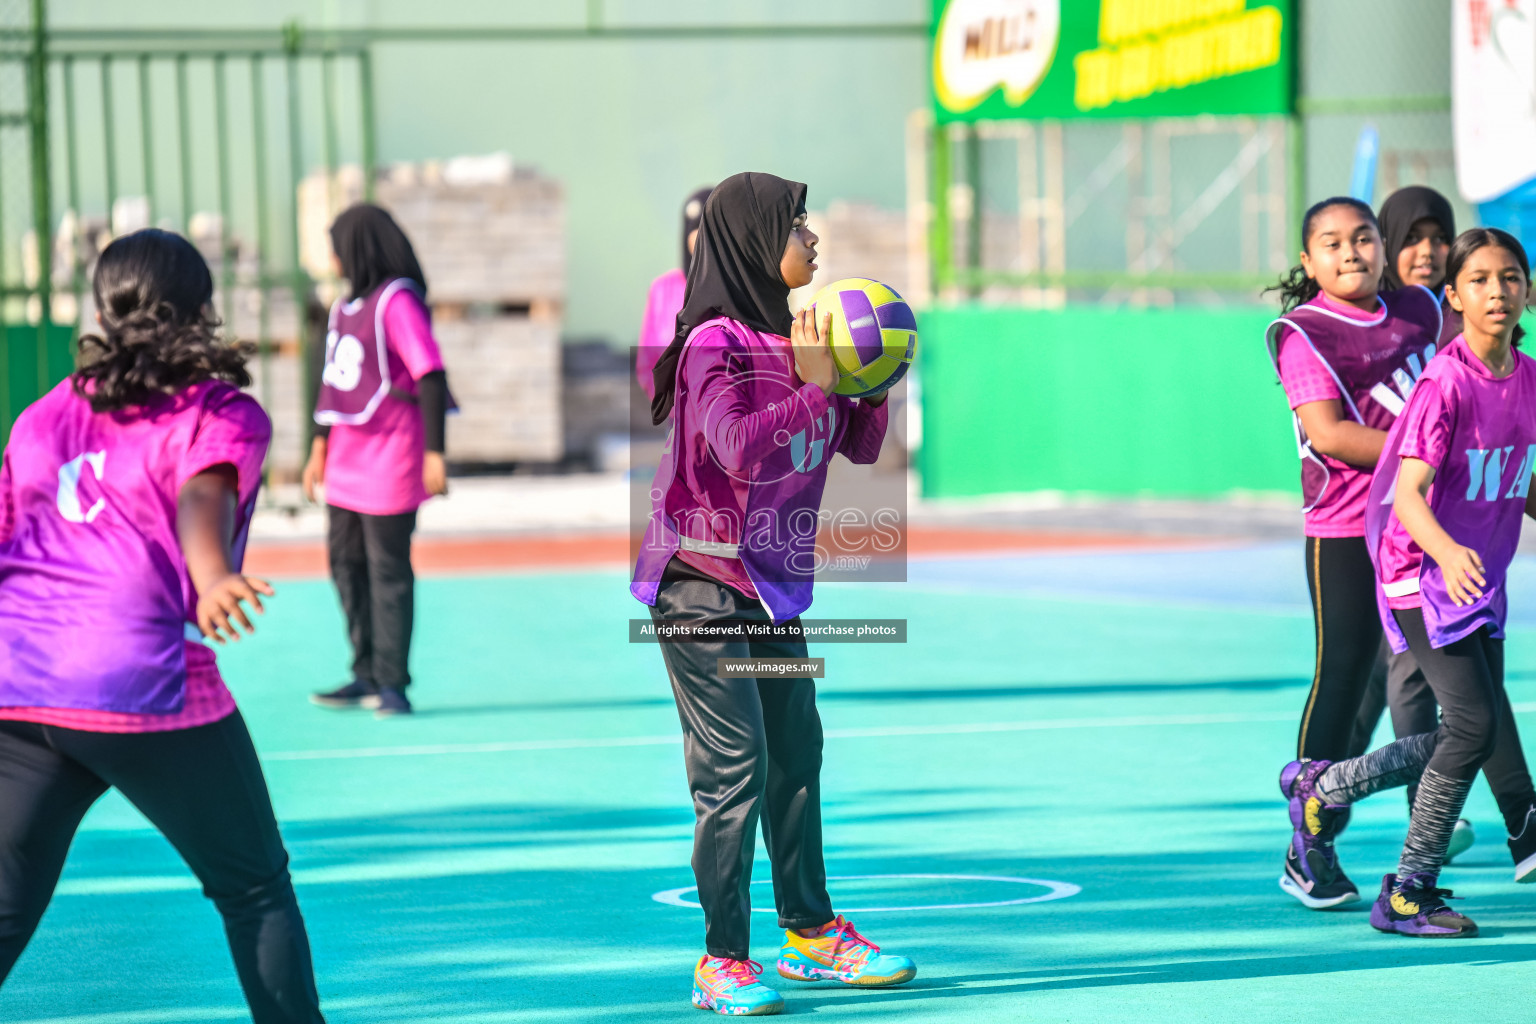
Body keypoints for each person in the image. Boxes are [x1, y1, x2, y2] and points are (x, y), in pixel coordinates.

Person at [0, 229, 326, 1021]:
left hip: (22, 683)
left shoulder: (43, 416)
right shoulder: (221, 412)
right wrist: (211, 576)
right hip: (138, 683)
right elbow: (202, 494)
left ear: (103, 311)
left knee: (7, 897)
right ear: (202, 308)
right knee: (253, 888)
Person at [633, 172, 915, 1016]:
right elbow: (733, 446)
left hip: (771, 591)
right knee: (736, 767)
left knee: (798, 754)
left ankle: (812, 935)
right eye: (798, 226)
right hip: (699, 585)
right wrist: (822, 381)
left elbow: (860, 447)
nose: (813, 240)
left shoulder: (798, 337)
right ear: (758, 242)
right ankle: (721, 960)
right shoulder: (715, 343)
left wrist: (873, 377)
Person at [1281, 227, 1536, 937]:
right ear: (1453, 298)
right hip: (1419, 576)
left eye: (1509, 278)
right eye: (1479, 280)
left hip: (1478, 581)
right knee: (1476, 725)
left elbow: (1518, 477)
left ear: (1528, 292)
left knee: (1473, 730)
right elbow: (1410, 493)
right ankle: (1408, 891)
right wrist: (1447, 553)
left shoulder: (1527, 376)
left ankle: (1325, 788)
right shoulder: (1444, 382)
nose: (1496, 292)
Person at [1262, 197, 1445, 909]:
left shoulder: (1423, 312)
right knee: (1342, 678)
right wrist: (1430, 457)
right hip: (1345, 532)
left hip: (1422, 526)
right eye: (1331, 243)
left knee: (1451, 682)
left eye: (1363, 238)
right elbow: (1331, 434)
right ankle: (1310, 838)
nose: (1350, 252)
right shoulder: (1301, 333)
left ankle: (1429, 847)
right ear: (1309, 263)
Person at [303, 203, 451, 718]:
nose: (332, 257)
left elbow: (430, 374)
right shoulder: (344, 307)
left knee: (387, 571)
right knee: (345, 566)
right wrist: (318, 446)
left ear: (357, 246)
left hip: (391, 459)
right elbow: (333, 382)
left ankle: (392, 682)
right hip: (345, 462)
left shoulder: (397, 303)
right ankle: (363, 671)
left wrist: (435, 452)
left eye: (337, 246)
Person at [637, 185, 712, 403]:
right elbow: (647, 362)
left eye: (707, 230)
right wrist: (671, 404)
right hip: (677, 416)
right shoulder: (662, 289)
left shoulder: (736, 288)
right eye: (693, 229)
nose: (699, 238)